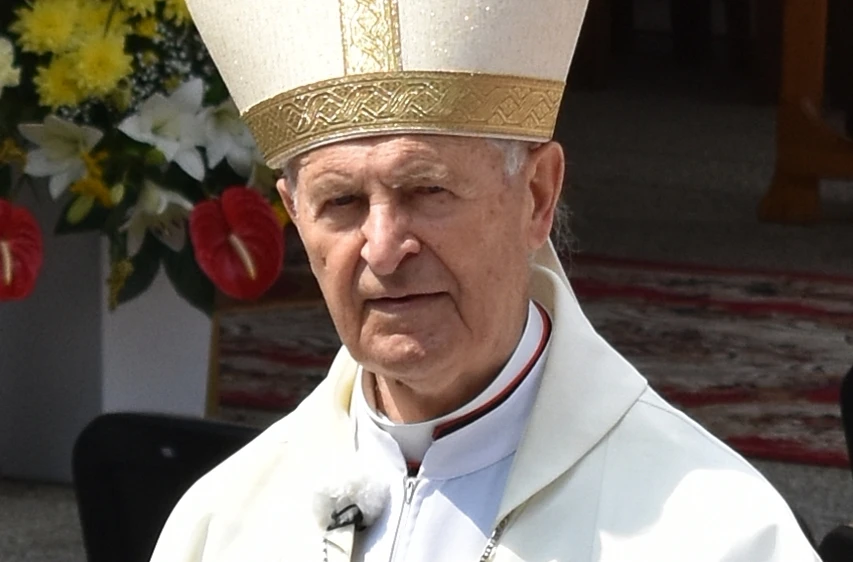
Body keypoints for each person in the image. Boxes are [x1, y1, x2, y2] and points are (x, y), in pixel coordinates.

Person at [151, 1, 820, 560]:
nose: (383, 249)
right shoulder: (227, 524)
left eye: (426, 190)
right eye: (342, 203)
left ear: (536, 195)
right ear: (296, 216)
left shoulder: (715, 532)